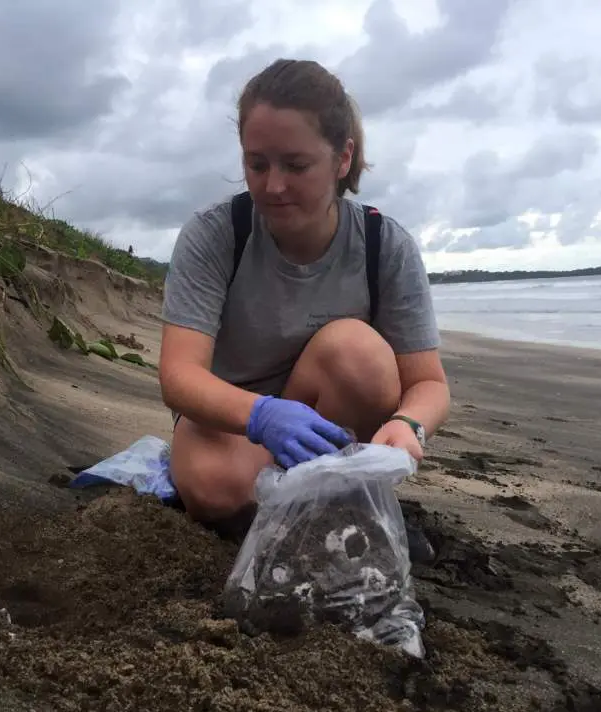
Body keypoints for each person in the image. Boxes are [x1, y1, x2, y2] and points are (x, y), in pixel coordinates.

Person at [158, 58, 451, 530]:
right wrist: (261, 414)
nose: (273, 186)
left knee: (357, 350)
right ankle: (320, 501)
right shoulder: (215, 234)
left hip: (330, 425)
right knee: (216, 489)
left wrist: (408, 424)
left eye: (296, 165)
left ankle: (329, 497)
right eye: (256, 164)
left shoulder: (384, 244)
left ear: (343, 158)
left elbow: (429, 384)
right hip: (233, 419)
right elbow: (179, 375)